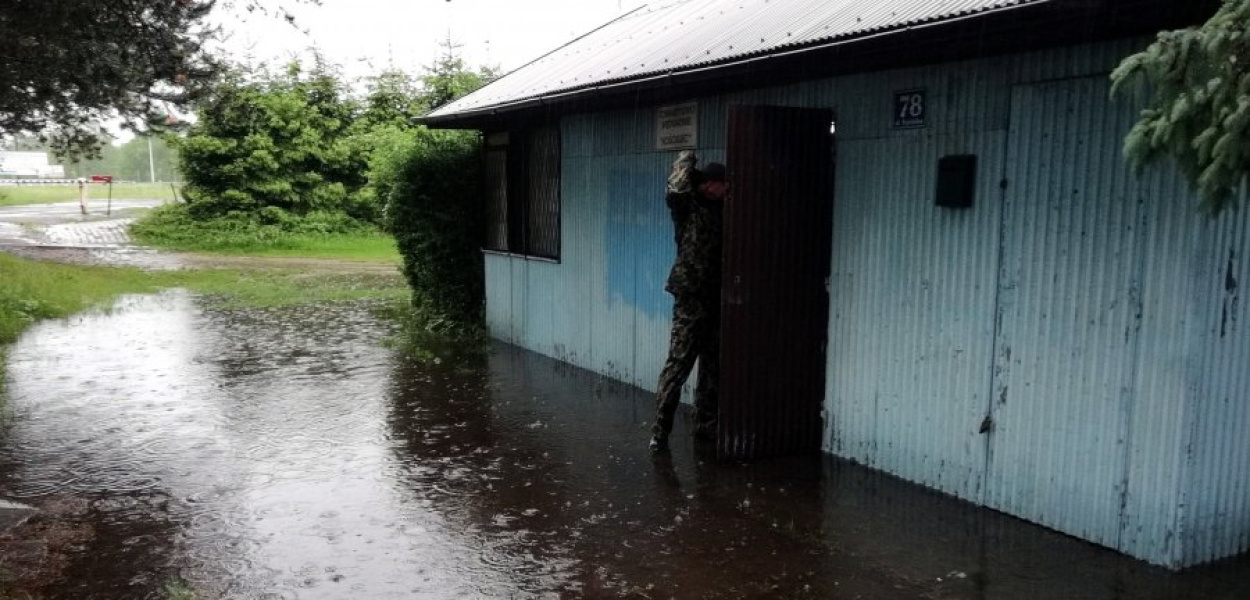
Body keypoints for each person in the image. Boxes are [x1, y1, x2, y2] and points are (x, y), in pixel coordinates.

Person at [650, 151, 728, 451]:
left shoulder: (725, 209)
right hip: (690, 297)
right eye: (724, 184)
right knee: (679, 365)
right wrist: (686, 160)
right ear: (710, 184)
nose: (728, 190)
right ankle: (660, 433)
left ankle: (706, 429)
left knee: (712, 367)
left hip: (715, 298)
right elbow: (675, 188)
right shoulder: (688, 206)